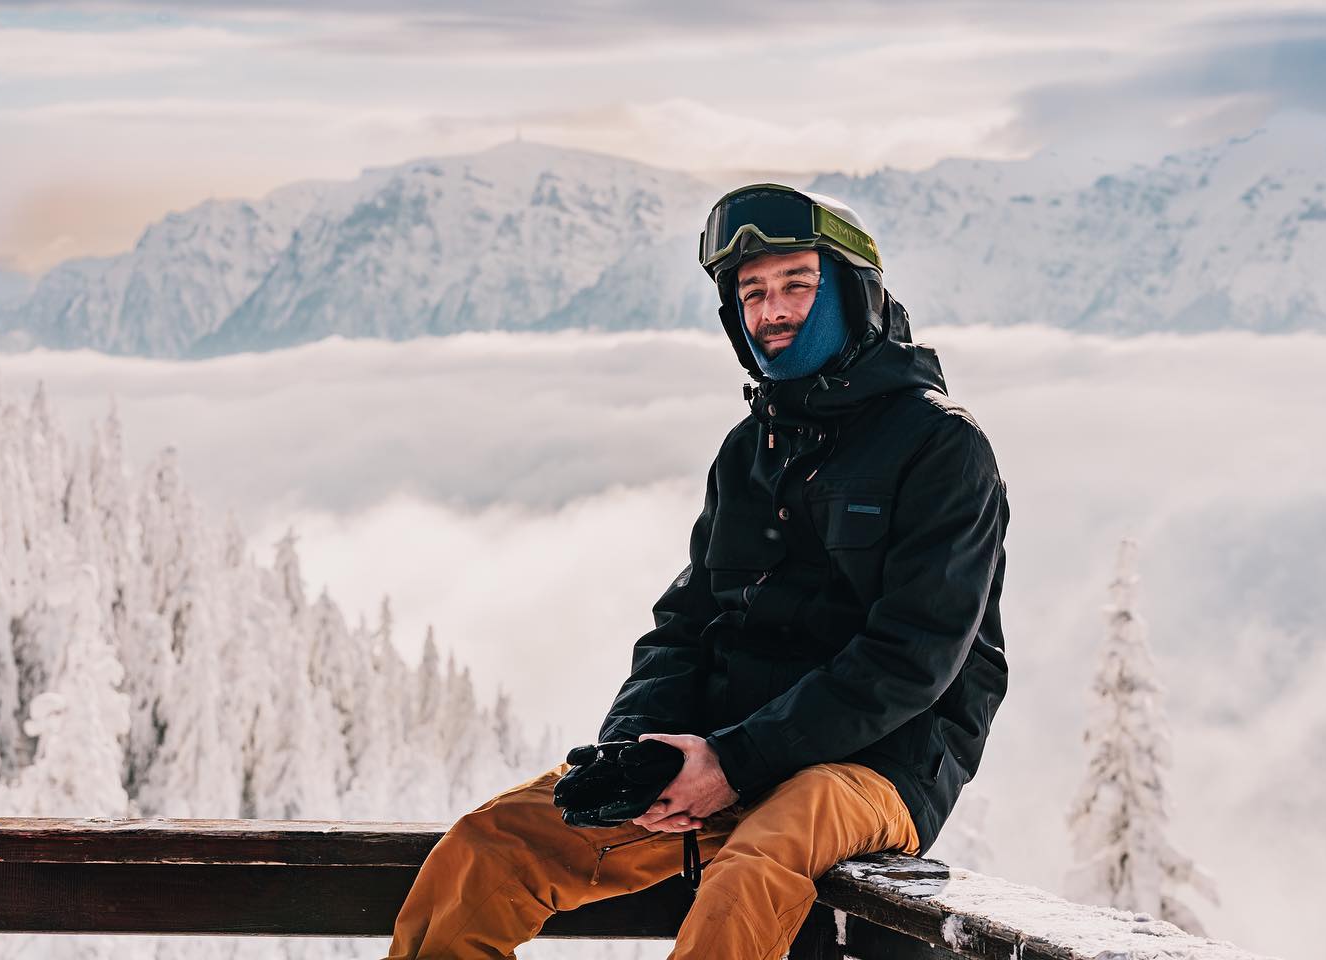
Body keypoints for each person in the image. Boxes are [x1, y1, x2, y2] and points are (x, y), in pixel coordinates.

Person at [381, 184, 1010, 959]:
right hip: (728, 751)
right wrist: (632, 751)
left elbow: (913, 658)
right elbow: (686, 622)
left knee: (754, 867)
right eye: (752, 293)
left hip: (877, 764)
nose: (771, 310)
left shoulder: (940, 447)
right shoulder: (750, 451)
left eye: (796, 285)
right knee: (494, 845)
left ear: (855, 295)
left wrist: (736, 762)